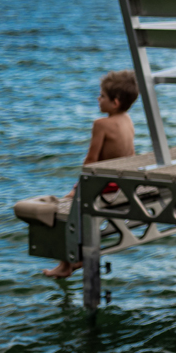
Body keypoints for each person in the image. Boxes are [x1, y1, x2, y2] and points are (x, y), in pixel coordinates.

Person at [42, 70, 138, 278]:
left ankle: (65, 266)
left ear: (115, 102)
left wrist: (77, 187)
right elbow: (131, 154)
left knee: (65, 214)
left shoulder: (101, 124)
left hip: (100, 184)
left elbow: (91, 160)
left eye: (102, 95)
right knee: (81, 216)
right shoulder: (127, 120)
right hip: (118, 182)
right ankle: (79, 258)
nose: (98, 98)